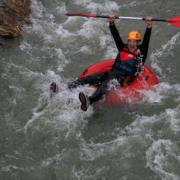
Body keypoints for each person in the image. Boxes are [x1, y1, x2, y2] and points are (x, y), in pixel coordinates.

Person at [50, 16, 153, 111]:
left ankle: (89, 101)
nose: (131, 43)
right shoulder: (123, 47)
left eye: (134, 41)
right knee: (90, 78)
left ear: (138, 42)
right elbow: (115, 36)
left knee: (105, 86)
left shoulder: (141, 53)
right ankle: (64, 88)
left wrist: (149, 26)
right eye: (130, 41)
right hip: (110, 73)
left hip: (121, 80)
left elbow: (147, 40)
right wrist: (112, 23)